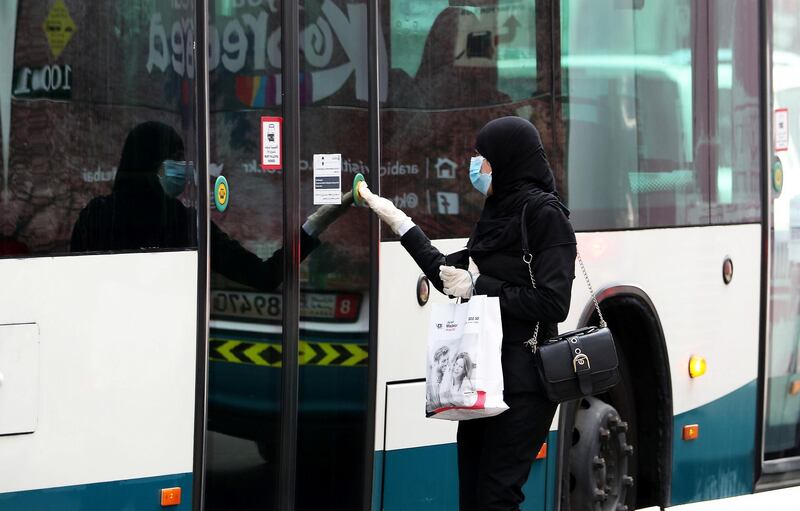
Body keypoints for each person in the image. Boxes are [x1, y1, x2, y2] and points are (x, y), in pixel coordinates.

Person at [357, 116, 577, 510]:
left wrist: (483, 287)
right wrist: (398, 222)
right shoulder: (496, 212)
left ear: (509, 159)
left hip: (526, 384)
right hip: (482, 379)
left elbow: (553, 301)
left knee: (496, 497)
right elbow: (449, 276)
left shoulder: (547, 216)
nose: (476, 166)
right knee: (472, 496)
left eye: (483, 157)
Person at [71, 121, 352, 291]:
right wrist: (313, 226)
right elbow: (264, 276)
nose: (186, 168)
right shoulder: (183, 223)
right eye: (176, 158)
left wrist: (314, 225)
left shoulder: (98, 214)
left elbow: (263, 276)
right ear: (150, 164)